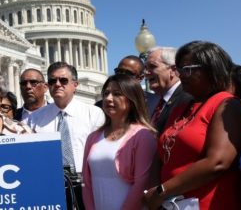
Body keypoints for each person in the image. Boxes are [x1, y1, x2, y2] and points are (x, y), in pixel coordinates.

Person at [143, 41, 241, 210]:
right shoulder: (180, 108)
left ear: (211, 69)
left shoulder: (227, 105)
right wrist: (154, 193)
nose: (181, 74)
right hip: (171, 204)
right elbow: (160, 155)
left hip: (209, 203)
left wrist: (162, 191)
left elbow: (218, 162)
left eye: (188, 69)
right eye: (180, 69)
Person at [26, 61, 105, 210]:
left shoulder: (93, 114)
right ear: (47, 86)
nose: (57, 84)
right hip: (50, 187)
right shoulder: (34, 119)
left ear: (75, 84)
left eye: (63, 80)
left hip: (86, 186)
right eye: (52, 81)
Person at [82, 74, 157, 210]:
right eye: (106, 93)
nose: (109, 98)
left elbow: (141, 184)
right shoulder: (93, 137)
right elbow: (86, 184)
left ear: (132, 99)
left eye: (117, 94)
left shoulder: (143, 136)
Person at [144, 47, 194, 133]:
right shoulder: (158, 101)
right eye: (145, 68)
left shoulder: (188, 99)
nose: (146, 72)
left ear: (173, 70)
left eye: (152, 66)